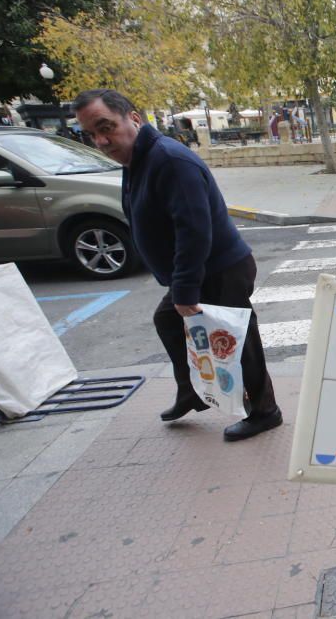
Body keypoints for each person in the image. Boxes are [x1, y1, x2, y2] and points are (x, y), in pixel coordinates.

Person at [73, 89, 282, 442]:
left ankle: (265, 411)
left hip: (219, 267)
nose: (101, 140)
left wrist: (184, 288)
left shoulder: (168, 160)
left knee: (237, 340)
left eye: (106, 127)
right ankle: (192, 389)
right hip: (201, 269)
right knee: (168, 320)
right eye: (91, 134)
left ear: (134, 118)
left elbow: (194, 230)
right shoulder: (138, 159)